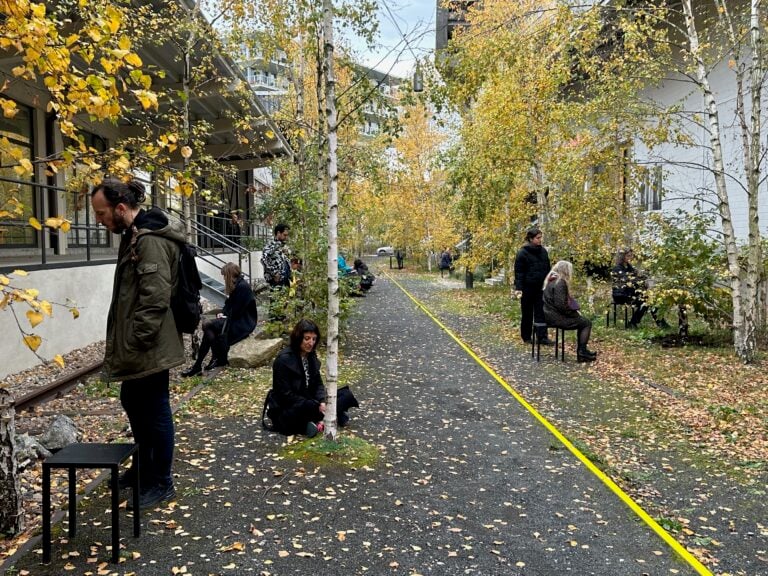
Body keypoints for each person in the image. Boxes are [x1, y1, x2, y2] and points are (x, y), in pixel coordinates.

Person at [91, 178, 183, 509]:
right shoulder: (134, 235)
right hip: (144, 344)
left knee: (155, 410)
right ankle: (143, 468)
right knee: (134, 401)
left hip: (150, 346)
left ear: (120, 208)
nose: (100, 221)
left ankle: (161, 481)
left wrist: (135, 340)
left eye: (102, 214)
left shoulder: (148, 241)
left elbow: (155, 298)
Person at [181, 262, 257, 377]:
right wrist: (223, 314)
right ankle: (212, 359)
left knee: (207, 325)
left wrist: (224, 315)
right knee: (207, 324)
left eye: (224, 276)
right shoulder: (238, 284)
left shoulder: (242, 287)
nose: (223, 278)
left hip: (243, 323)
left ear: (229, 275)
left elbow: (237, 311)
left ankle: (207, 361)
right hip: (236, 319)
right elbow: (229, 305)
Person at [269, 319, 328, 437]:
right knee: (308, 407)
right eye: (307, 338)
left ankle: (317, 421)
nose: (311, 343)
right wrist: (315, 405)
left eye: (314, 339)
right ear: (298, 338)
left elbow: (318, 383)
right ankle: (319, 421)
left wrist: (322, 401)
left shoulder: (311, 356)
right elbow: (285, 395)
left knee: (340, 395)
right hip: (288, 407)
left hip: (309, 400)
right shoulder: (283, 360)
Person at [542, 260, 597, 362]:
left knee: (583, 321)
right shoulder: (560, 282)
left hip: (549, 315)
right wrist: (574, 314)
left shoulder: (550, 280)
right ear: (566, 271)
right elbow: (561, 306)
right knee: (586, 323)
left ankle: (583, 351)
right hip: (556, 317)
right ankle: (582, 352)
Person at [513, 227, 553, 345]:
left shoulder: (543, 251)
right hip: (527, 288)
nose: (540, 240)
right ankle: (526, 337)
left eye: (540, 238)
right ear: (531, 239)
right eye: (538, 238)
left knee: (541, 312)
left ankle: (542, 337)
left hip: (541, 287)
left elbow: (547, 268)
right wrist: (519, 289)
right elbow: (519, 272)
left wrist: (549, 282)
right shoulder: (522, 253)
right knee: (527, 313)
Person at [612, 248, 668, 329]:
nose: (630, 257)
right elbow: (629, 280)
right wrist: (639, 280)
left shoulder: (628, 267)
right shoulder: (617, 268)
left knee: (650, 300)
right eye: (628, 256)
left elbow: (638, 276)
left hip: (630, 293)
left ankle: (660, 322)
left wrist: (645, 277)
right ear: (622, 257)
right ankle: (633, 323)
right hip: (621, 295)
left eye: (631, 256)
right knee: (646, 301)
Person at [261, 223, 291, 288]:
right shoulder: (271, 245)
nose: (286, 237)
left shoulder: (282, 245)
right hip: (276, 279)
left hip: (285, 277)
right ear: (278, 233)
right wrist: (274, 273)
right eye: (284, 235)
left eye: (287, 235)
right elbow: (263, 260)